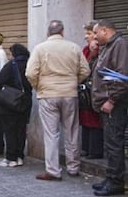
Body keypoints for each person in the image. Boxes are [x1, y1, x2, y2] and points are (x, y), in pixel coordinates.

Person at [26, 20, 90, 180]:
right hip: (70, 94)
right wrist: (73, 82)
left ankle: (53, 171)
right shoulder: (74, 47)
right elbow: (85, 70)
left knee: (51, 134)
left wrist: (38, 87)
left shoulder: (40, 48)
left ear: (48, 33)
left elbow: (30, 73)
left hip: (48, 94)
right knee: (72, 132)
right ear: (62, 32)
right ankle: (73, 168)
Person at [90, 19, 128, 196]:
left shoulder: (120, 45)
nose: (95, 37)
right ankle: (111, 176)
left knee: (114, 143)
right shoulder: (107, 47)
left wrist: (111, 100)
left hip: (114, 104)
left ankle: (116, 182)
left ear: (105, 31)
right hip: (105, 103)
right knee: (110, 143)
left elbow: (121, 77)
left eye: (96, 33)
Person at [0, 44, 32, 167]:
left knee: (10, 129)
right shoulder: (31, 64)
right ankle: (20, 156)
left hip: (10, 102)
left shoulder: (12, 65)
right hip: (26, 100)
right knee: (21, 129)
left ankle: (11, 158)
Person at [79, 21, 103, 160]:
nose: (86, 37)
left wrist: (94, 53)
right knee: (85, 118)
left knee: (95, 121)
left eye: (88, 33)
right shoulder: (85, 50)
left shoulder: (102, 49)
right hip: (85, 92)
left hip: (95, 91)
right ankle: (86, 148)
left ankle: (95, 150)